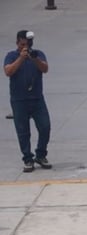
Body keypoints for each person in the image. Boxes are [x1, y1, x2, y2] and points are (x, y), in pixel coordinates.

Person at [4, 30, 51, 173]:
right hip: (19, 100)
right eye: (23, 44)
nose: (26, 46)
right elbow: (8, 72)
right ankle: (28, 159)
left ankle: (41, 154)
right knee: (23, 132)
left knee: (45, 127)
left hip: (37, 99)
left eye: (28, 44)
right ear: (17, 43)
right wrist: (21, 58)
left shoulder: (38, 54)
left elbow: (45, 68)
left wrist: (34, 58)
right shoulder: (11, 56)